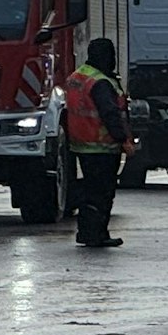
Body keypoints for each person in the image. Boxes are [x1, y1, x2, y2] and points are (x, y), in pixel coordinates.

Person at [64, 38, 132, 248]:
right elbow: (110, 113)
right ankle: (96, 234)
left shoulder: (79, 76)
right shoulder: (101, 82)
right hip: (102, 147)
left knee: (89, 192)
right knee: (101, 194)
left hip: (80, 144)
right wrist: (123, 140)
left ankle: (86, 232)